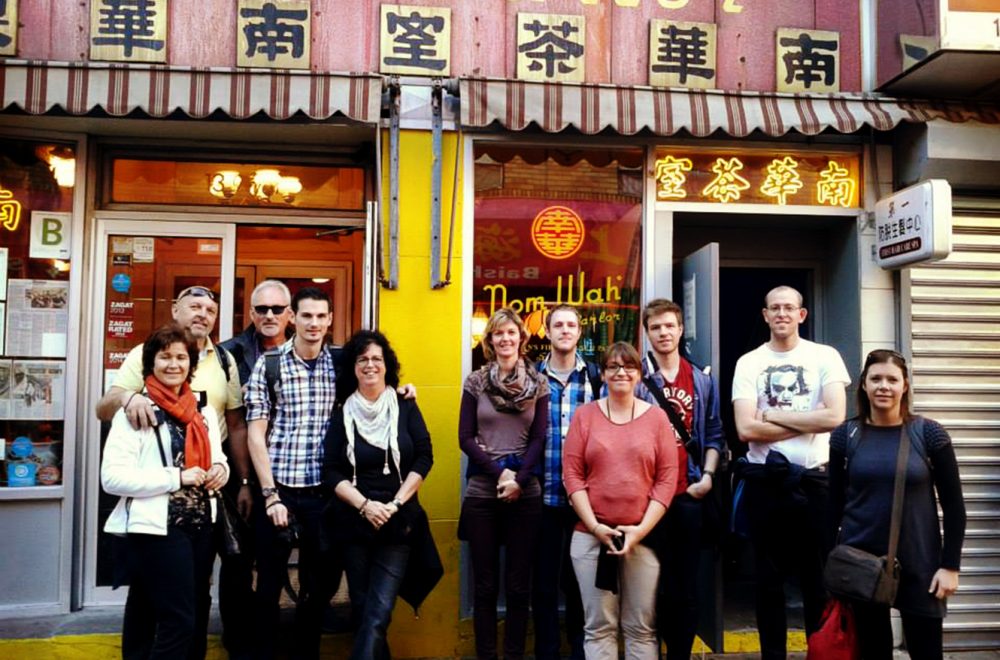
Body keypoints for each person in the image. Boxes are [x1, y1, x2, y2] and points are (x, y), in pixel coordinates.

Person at [96, 285, 248, 658]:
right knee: (177, 618)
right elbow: (112, 477)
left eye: (181, 358)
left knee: (168, 606)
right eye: (165, 358)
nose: (174, 365)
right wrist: (177, 477)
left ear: (191, 366)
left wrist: (223, 471)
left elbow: (224, 448)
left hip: (201, 522)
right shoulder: (138, 411)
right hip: (157, 524)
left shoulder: (205, 408)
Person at [731, 285, 850, 660]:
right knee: (768, 584)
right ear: (765, 315)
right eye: (774, 308)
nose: (782, 313)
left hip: (815, 482)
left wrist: (776, 415)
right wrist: (808, 421)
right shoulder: (748, 362)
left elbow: (835, 417)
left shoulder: (824, 356)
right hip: (766, 484)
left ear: (802, 315)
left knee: (818, 582)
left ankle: (820, 653)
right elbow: (746, 429)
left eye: (789, 307)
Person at [828, 349, 966, 660]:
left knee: (927, 652)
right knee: (873, 652)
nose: (884, 386)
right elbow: (833, 505)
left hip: (921, 563)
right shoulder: (845, 435)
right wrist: (831, 562)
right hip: (860, 563)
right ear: (863, 384)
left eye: (892, 379)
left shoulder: (929, 433)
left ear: (905, 385)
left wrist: (950, 566)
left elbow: (955, 508)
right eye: (875, 379)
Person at [323, 330, 440, 660]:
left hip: (398, 521)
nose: (370, 365)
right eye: (362, 360)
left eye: (376, 359)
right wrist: (364, 505)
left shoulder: (405, 406)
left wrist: (395, 504)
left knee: (378, 612)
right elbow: (331, 469)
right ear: (353, 367)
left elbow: (424, 456)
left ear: (387, 365)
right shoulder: (341, 411)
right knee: (363, 609)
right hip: (354, 520)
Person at [563, 341, 679, 660]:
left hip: (643, 538)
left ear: (639, 374)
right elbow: (572, 476)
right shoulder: (585, 417)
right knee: (599, 626)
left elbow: (667, 479)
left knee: (641, 628)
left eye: (628, 366)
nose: (621, 372)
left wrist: (639, 530)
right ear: (602, 373)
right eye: (613, 366)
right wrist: (595, 526)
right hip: (590, 538)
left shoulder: (656, 419)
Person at [244, 286, 343, 660]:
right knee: (268, 584)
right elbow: (256, 433)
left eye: (321, 316)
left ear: (329, 319)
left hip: (324, 493)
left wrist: (404, 390)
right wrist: (269, 495)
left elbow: (376, 386)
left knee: (318, 587)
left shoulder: (341, 362)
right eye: (306, 315)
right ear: (292, 318)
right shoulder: (268, 365)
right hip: (280, 489)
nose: (314, 323)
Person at [459, 307, 550, 660]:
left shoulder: (539, 384)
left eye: (511, 333)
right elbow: (465, 438)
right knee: (483, 587)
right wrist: (502, 475)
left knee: (517, 587)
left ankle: (513, 654)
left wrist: (520, 479)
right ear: (490, 340)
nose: (505, 339)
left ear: (521, 338)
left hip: (525, 495)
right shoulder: (476, 381)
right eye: (498, 334)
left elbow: (540, 439)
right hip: (483, 492)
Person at [639, 299, 724, 660]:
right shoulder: (639, 379)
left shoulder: (702, 381)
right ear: (647, 333)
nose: (663, 333)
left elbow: (716, 432)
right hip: (647, 498)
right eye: (656, 327)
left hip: (689, 494)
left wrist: (706, 476)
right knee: (653, 586)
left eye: (669, 326)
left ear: (680, 329)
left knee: (686, 586)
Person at [217, 279, 293, 660]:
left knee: (275, 566)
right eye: (261, 309)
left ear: (289, 314)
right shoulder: (227, 355)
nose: (269, 316)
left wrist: (399, 389)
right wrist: (244, 481)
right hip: (241, 478)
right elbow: (230, 421)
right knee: (237, 561)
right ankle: (237, 642)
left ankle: (269, 640)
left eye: (277, 309)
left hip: (290, 477)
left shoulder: (307, 353)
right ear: (250, 313)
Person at [532, 305, 598, 660]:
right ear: (547, 331)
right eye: (558, 324)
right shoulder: (532, 377)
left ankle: (579, 650)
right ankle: (547, 651)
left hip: (583, 500)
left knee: (578, 584)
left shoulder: (596, 377)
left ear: (579, 331)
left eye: (571, 324)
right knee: (542, 584)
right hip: (542, 496)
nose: (565, 330)